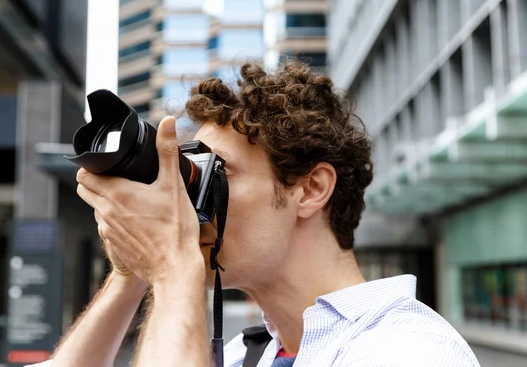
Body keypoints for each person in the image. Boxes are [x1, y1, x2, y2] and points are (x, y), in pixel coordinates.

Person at [27, 61, 480, 367]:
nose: (188, 202)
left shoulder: (406, 350)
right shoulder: (251, 352)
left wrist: (171, 266)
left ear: (310, 189)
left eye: (217, 171)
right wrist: (131, 272)